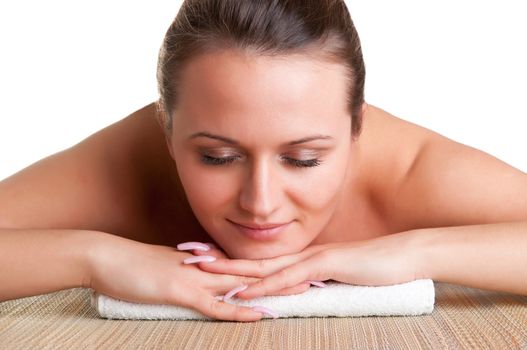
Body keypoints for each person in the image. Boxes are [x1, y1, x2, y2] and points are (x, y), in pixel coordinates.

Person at [1, 0, 526, 322]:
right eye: (217, 156)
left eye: (302, 159)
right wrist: (97, 259)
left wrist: (410, 253)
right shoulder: (128, 164)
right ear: (166, 129)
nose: (261, 203)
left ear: (357, 128)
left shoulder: (414, 173)